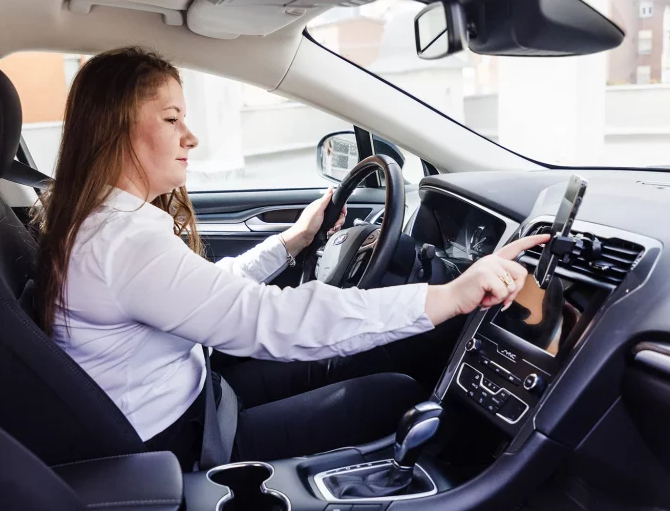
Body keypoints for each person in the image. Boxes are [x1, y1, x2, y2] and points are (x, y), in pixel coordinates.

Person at [33, 46, 548, 470]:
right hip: (185, 443)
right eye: (172, 119)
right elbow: (268, 319)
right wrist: (449, 295)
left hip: (194, 393)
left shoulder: (99, 222)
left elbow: (207, 290)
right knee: (393, 394)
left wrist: (293, 241)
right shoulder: (125, 242)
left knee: (367, 357)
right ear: (114, 129)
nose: (190, 137)